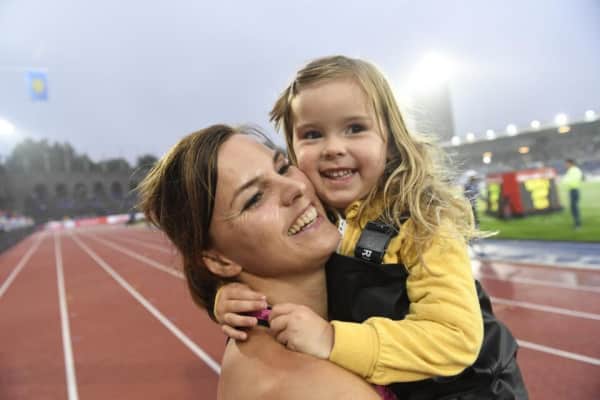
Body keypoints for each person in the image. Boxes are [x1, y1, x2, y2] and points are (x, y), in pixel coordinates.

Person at [215, 55, 527, 399]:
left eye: (355, 128)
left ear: (390, 140)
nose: (334, 148)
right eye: (313, 134)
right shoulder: (324, 219)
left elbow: (455, 338)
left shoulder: (423, 223)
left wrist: (332, 340)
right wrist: (232, 300)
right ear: (294, 150)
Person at [138, 125, 388, 399]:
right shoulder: (314, 387)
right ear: (218, 260)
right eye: (254, 198)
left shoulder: (273, 343)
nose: (294, 188)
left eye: (283, 168)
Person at [563, 159, 583, 229]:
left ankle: (577, 224)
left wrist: (566, 181)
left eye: (566, 164)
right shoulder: (572, 170)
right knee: (573, 208)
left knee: (574, 208)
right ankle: (576, 223)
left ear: (570, 163)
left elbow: (573, 180)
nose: (565, 165)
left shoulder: (574, 170)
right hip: (572, 190)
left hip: (574, 190)